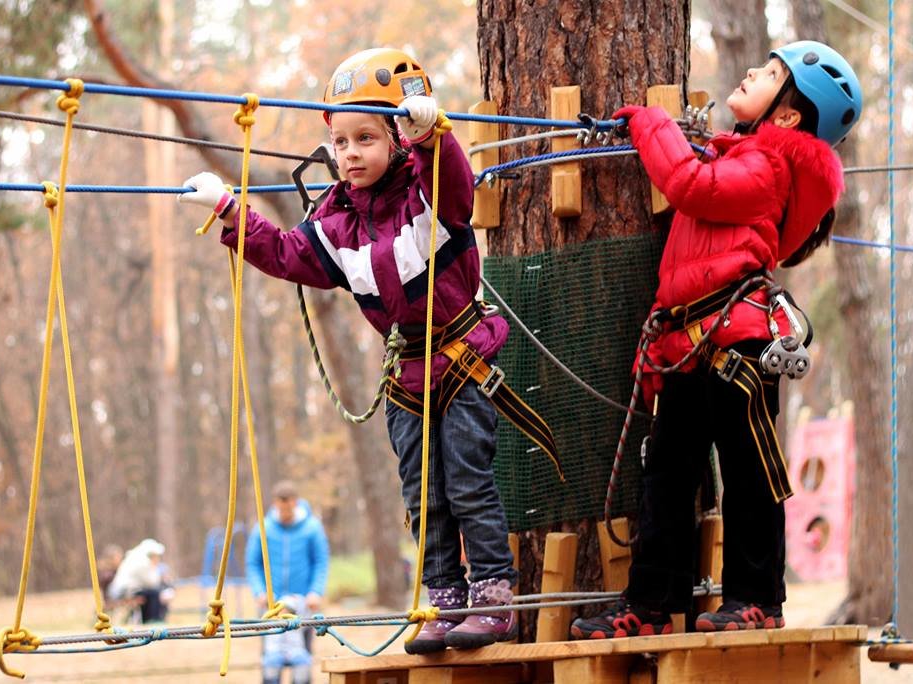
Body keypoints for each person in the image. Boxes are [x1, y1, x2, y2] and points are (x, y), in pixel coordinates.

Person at [179, 48, 547, 653]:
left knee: (467, 484)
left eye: (366, 138)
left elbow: (454, 183)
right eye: (341, 141)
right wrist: (228, 209)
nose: (351, 153)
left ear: (398, 140)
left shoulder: (429, 198)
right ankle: (444, 597)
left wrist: (434, 133)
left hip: (460, 358)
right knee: (422, 496)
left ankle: (493, 598)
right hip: (405, 375)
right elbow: (285, 252)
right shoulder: (334, 223)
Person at [570, 41, 863, 639]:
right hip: (688, 343)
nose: (752, 69)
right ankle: (652, 602)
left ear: (785, 116)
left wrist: (651, 123)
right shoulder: (736, 158)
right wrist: (655, 345)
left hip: (741, 349)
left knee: (749, 473)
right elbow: (681, 269)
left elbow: (686, 183)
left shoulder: (767, 167)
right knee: (667, 479)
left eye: (771, 73)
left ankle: (758, 598)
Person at [245, 481, 329, 684]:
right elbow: (253, 563)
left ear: (295, 503)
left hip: (303, 604)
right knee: (270, 660)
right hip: (271, 606)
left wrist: (315, 591)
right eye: (281, 508)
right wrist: (259, 592)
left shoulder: (312, 528)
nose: (285, 513)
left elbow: (321, 561)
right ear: (275, 504)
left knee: (302, 659)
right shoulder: (263, 528)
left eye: (288, 508)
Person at [106, 538, 174, 623]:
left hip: (124, 590)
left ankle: (152, 619)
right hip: (123, 592)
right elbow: (152, 582)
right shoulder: (142, 562)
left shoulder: (136, 557)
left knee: (151, 593)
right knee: (154, 593)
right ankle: (152, 620)